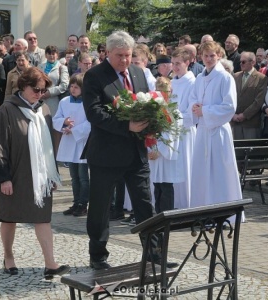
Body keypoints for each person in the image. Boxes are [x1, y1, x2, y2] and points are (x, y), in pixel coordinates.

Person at [82, 30, 175, 270]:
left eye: (128, 55)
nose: (125, 60)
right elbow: (94, 113)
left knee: (146, 205)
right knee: (101, 208)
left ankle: (155, 254)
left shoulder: (138, 72)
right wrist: (127, 126)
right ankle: (98, 256)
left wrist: (152, 125)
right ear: (108, 52)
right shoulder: (94, 76)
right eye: (119, 55)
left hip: (136, 153)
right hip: (106, 154)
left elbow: (147, 104)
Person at [0, 67, 70, 279]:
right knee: (9, 217)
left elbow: (49, 147)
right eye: (36, 89)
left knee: (42, 217)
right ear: (22, 86)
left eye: (43, 90)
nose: (40, 94)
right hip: (15, 173)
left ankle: (50, 264)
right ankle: (8, 257)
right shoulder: (7, 110)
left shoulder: (43, 110)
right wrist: (3, 177)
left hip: (41, 176)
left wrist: (53, 175)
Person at [189, 41, 243, 213]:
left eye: (212, 55)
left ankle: (224, 213)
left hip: (218, 131)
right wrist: (195, 107)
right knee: (202, 172)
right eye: (205, 55)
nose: (209, 59)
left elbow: (229, 107)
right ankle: (202, 211)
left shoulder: (225, 77)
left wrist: (204, 110)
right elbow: (193, 99)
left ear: (219, 55)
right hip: (203, 131)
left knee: (219, 173)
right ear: (201, 57)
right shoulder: (199, 78)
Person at [53, 73, 90, 217]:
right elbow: (57, 118)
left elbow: (90, 123)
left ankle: (83, 204)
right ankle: (76, 202)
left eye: (76, 87)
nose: (73, 89)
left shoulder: (87, 102)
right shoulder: (64, 101)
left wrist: (74, 130)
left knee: (83, 176)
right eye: (71, 86)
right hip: (69, 142)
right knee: (74, 177)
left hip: (81, 142)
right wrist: (64, 123)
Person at [148, 77, 181, 213]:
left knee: (166, 186)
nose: (162, 94)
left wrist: (159, 151)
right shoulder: (152, 111)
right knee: (157, 185)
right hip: (154, 152)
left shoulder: (174, 111)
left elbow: (172, 134)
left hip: (165, 154)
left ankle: (167, 216)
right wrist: (150, 148)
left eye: (165, 91)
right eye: (159, 91)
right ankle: (158, 215)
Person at [171, 48, 196, 209]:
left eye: (178, 63)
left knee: (186, 169)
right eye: (173, 63)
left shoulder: (193, 82)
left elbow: (191, 113)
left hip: (185, 132)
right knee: (174, 170)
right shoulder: (172, 81)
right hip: (172, 133)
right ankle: (175, 204)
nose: (175, 67)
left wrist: (175, 116)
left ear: (187, 62)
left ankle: (187, 204)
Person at [231, 52, 267, 140]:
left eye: (243, 62)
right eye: (240, 62)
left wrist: (244, 115)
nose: (241, 64)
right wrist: (233, 115)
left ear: (253, 62)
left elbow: (258, 101)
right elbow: (230, 96)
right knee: (237, 151)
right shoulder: (235, 76)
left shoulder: (261, 78)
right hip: (235, 122)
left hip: (251, 123)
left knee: (251, 150)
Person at [38, 45, 69, 117]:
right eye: (49, 54)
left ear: (57, 55)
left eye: (53, 54)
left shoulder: (62, 67)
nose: (51, 56)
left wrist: (50, 92)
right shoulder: (39, 66)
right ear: (45, 55)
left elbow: (64, 85)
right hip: (40, 99)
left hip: (54, 100)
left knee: (53, 124)